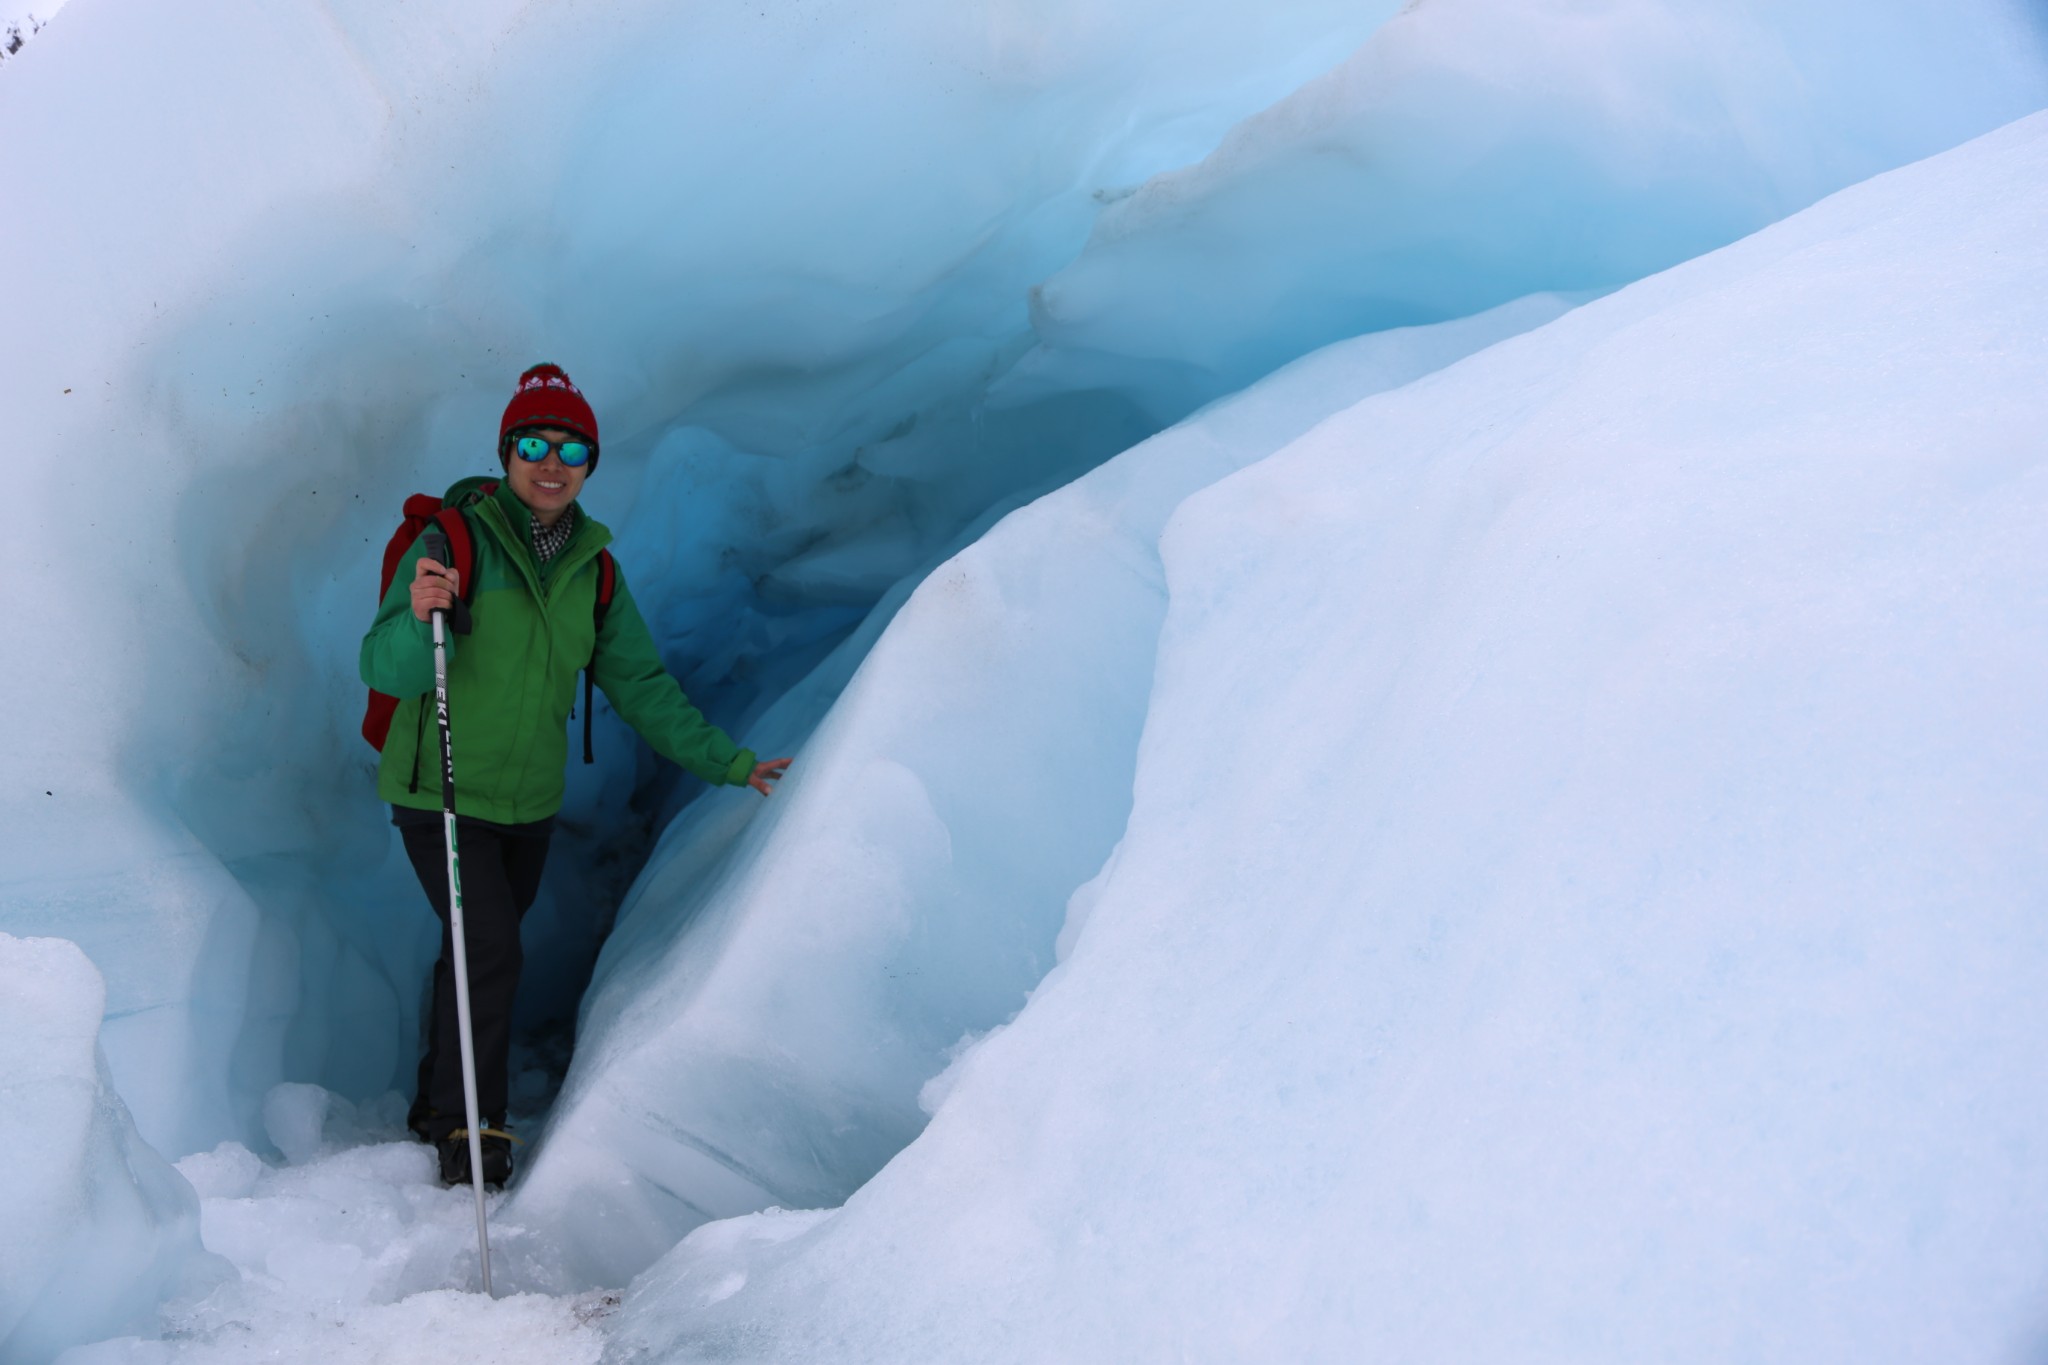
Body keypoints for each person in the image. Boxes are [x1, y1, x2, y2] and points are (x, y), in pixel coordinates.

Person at [359, 362, 791, 1188]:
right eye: (532, 444)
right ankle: (467, 1124)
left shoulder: (593, 571)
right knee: (487, 944)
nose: (550, 463)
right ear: (505, 450)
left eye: (571, 448)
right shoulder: (450, 540)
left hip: (526, 804)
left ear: (590, 463)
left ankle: (431, 1099)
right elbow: (381, 661)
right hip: (438, 791)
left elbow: (640, 685)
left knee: (473, 949)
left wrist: (727, 763)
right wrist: (421, 617)